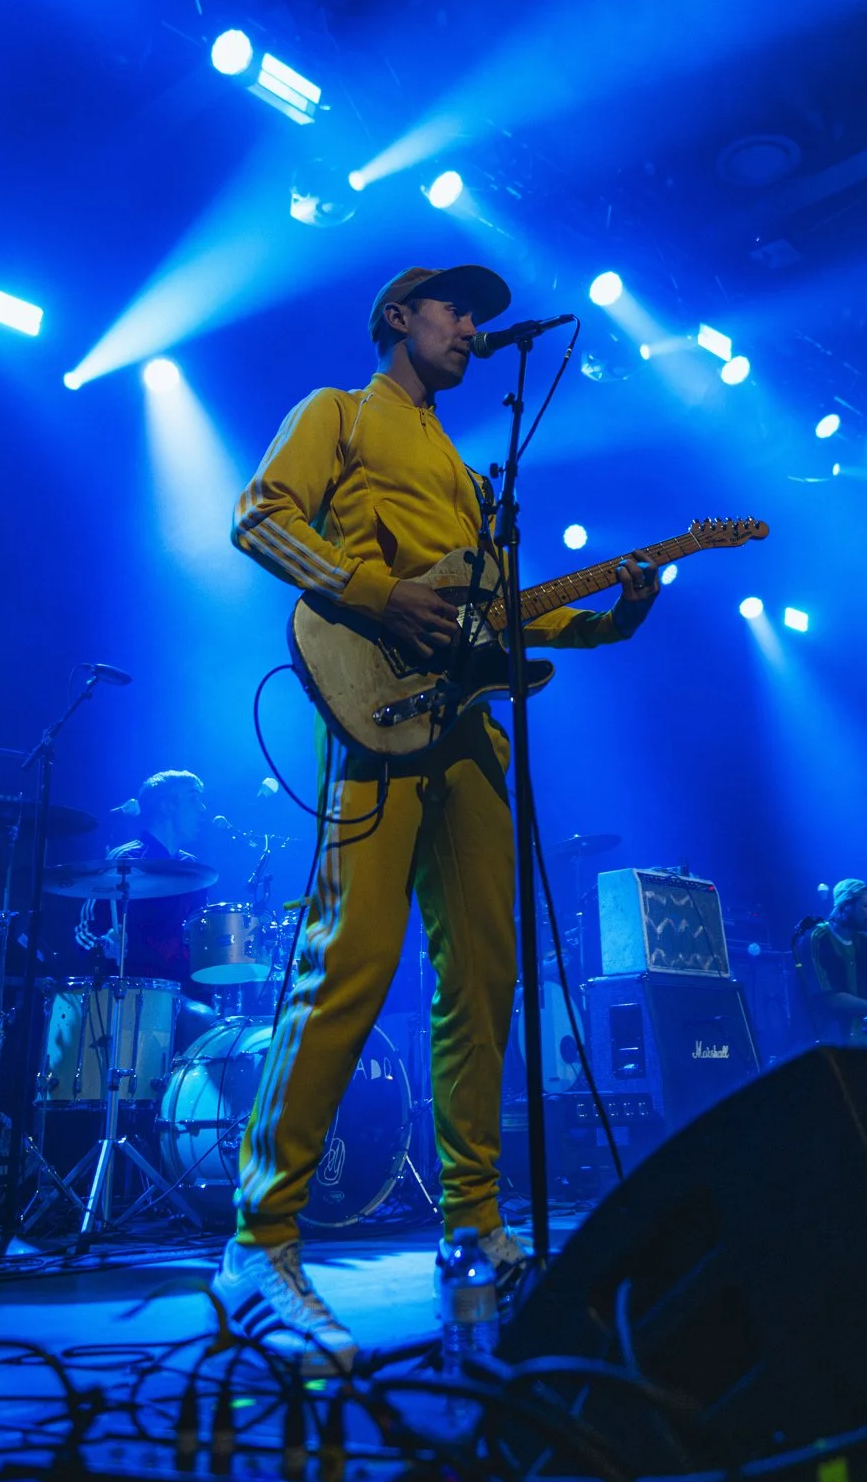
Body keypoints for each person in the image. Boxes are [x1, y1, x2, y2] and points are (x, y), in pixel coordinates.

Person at [212, 263, 661, 1368]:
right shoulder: (338, 413)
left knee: (486, 977)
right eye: (454, 309)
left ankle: (477, 1230)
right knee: (350, 961)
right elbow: (257, 519)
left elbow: (511, 625)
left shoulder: (469, 480)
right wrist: (372, 593)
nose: (472, 327)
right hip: (370, 715)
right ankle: (257, 1243)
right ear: (396, 319)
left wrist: (617, 614)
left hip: (468, 738)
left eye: (478, 315)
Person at [76, 769, 209, 988]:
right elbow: (86, 928)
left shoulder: (193, 868)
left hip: (182, 987)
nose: (203, 809)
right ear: (167, 806)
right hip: (133, 989)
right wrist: (104, 945)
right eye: (194, 799)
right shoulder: (126, 859)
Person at [795, 880, 867, 1044]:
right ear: (844, 907)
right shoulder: (817, 939)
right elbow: (832, 999)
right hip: (834, 1038)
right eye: (866, 906)